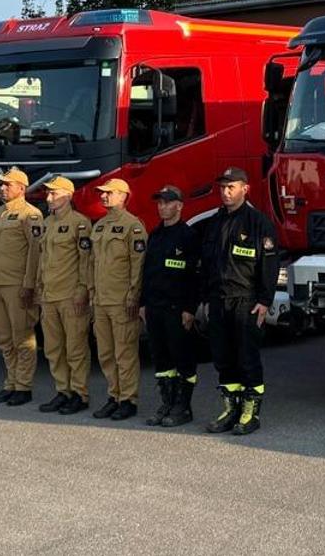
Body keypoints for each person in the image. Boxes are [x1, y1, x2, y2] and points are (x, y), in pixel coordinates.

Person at [197, 167, 282, 435]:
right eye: (222, 187)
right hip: (219, 301)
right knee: (223, 359)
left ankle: (250, 413)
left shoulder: (258, 223)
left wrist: (265, 300)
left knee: (247, 358)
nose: (225, 192)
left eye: (231, 187)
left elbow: (269, 265)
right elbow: (207, 265)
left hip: (247, 302)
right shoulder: (214, 222)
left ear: (245, 189)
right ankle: (230, 408)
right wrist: (206, 299)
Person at [29, 176, 95, 415]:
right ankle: (62, 391)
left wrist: (82, 290)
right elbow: (42, 260)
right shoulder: (46, 223)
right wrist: (38, 287)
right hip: (49, 295)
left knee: (76, 347)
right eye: (48, 194)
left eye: (54, 194)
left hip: (70, 295)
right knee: (54, 348)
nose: (49, 198)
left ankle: (79, 393)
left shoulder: (80, 224)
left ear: (68, 196)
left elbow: (86, 261)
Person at [0, 168, 42, 407]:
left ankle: (23, 386)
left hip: (17, 285)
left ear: (21, 188)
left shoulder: (31, 215)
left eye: (8, 185)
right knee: (4, 338)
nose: (2, 188)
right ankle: (11, 382)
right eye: (2, 185)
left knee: (23, 337)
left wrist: (29, 284)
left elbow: (35, 253)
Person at [141, 184, 201, 427]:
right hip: (154, 308)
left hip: (177, 309)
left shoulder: (188, 236)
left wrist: (189, 308)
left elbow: (195, 276)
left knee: (182, 358)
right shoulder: (155, 235)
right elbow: (148, 273)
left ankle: (183, 407)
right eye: (160, 203)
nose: (162, 207)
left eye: (167, 202)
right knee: (162, 361)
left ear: (179, 205)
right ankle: (167, 402)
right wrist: (143, 303)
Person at [89, 179, 147, 421]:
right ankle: (114, 395)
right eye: (102, 193)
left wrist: (134, 295)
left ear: (123, 196)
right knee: (105, 353)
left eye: (109, 193)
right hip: (101, 300)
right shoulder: (99, 226)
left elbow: (138, 264)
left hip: (122, 300)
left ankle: (128, 399)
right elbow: (91, 263)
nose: (104, 197)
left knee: (124, 353)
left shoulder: (133, 227)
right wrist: (91, 293)